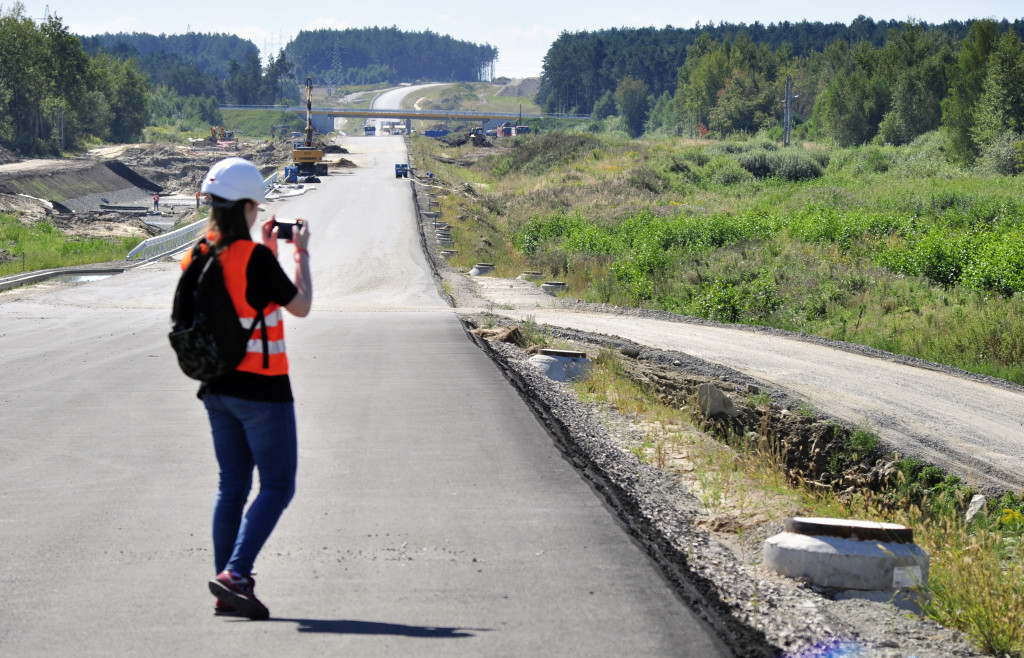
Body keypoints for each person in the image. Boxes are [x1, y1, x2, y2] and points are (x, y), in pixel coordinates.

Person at [183, 156, 312, 620]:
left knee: (232, 485)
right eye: (255, 206)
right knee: (277, 485)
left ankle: (226, 588)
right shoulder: (255, 258)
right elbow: (299, 306)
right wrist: (301, 255)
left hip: (216, 388)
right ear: (244, 207)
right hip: (263, 389)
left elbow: (245, 300)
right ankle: (236, 573)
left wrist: (267, 252)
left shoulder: (199, 253)